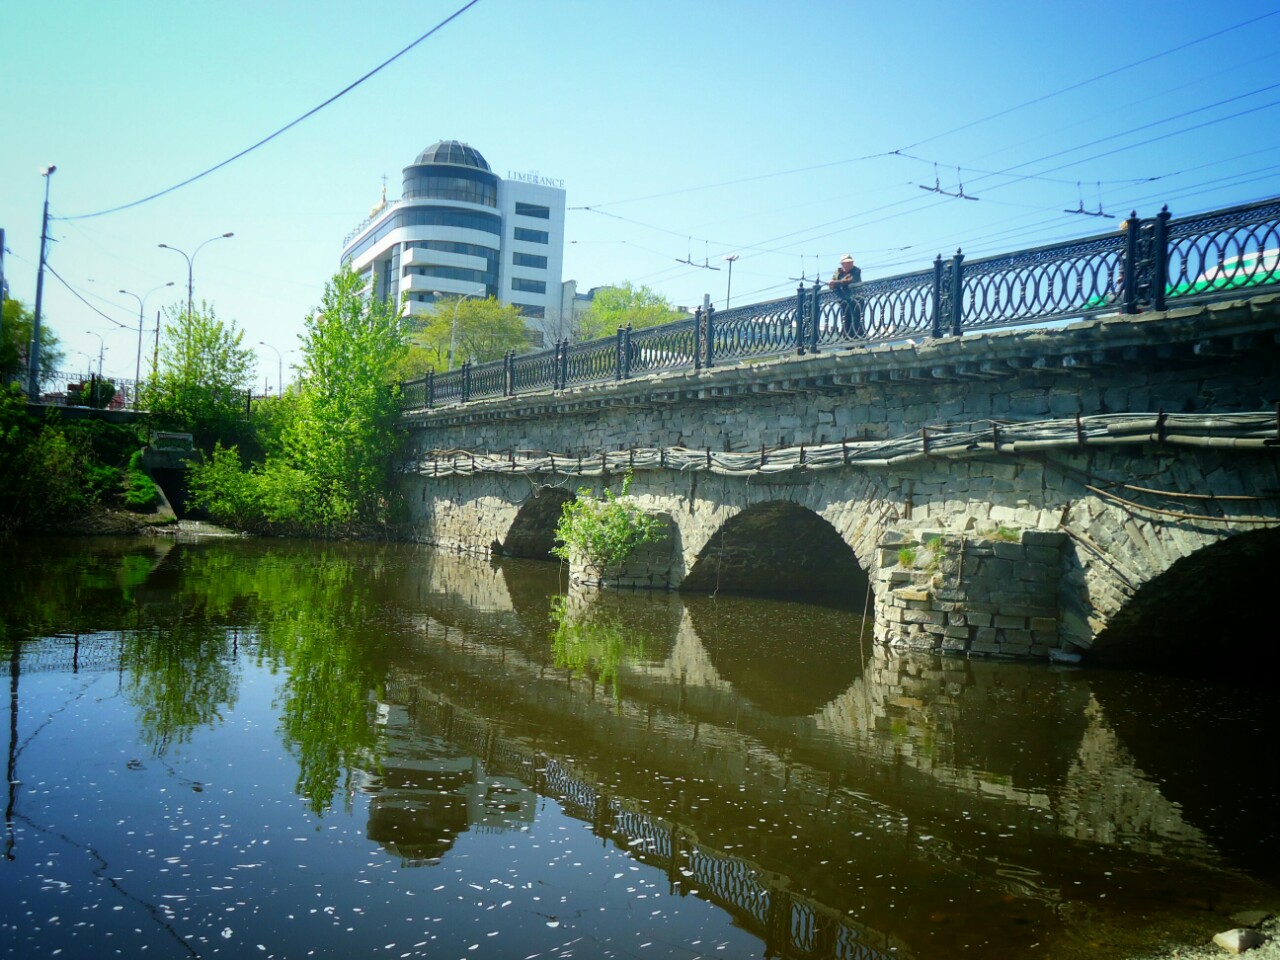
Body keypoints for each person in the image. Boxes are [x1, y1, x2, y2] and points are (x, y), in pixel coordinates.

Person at [828, 254, 864, 337]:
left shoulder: (856, 270)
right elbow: (833, 282)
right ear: (843, 264)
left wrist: (835, 283)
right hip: (843, 300)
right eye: (847, 263)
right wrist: (832, 285)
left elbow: (849, 280)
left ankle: (858, 338)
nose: (850, 264)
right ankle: (846, 338)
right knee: (845, 320)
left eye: (851, 262)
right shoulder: (838, 272)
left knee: (856, 320)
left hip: (856, 299)